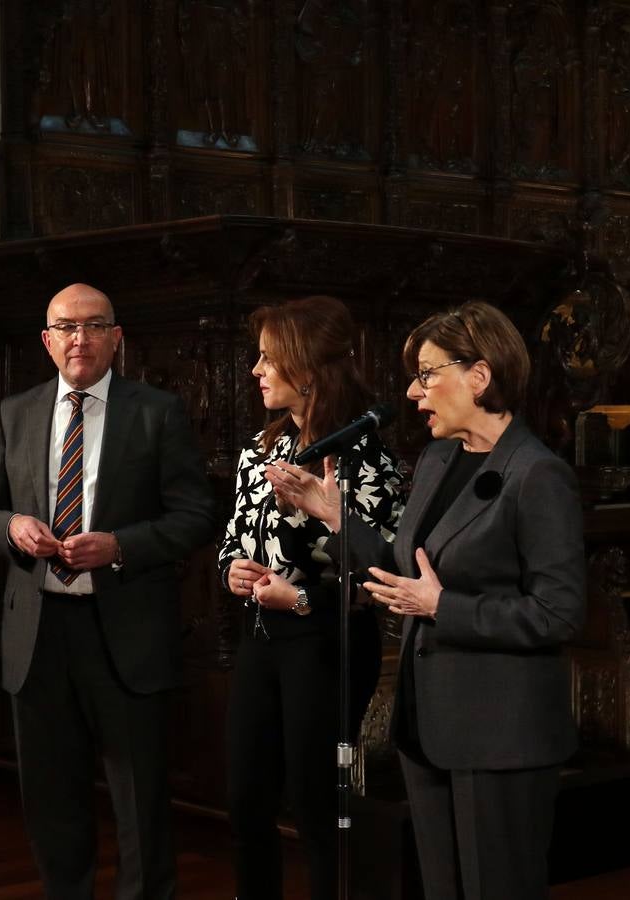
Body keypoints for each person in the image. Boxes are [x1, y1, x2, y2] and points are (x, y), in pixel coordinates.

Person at [269, 301, 586, 899]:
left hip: (502, 735)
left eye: (427, 374)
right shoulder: (440, 459)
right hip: (429, 728)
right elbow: (401, 575)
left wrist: (445, 608)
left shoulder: (538, 475)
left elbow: (559, 613)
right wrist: (333, 514)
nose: (415, 393)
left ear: (481, 376)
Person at [0, 283, 218, 900]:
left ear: (116, 338)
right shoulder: (14, 411)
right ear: (47, 340)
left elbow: (195, 515)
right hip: (39, 633)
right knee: (52, 798)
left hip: (125, 631)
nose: (80, 338)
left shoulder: (158, 411)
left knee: (140, 801)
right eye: (67, 327)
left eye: (94, 326)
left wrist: (121, 545)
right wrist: (13, 527)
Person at [217, 296, 404, 900]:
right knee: (246, 800)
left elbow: (386, 570)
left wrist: (298, 599)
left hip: (328, 645)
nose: (257, 370)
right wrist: (236, 576)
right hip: (262, 642)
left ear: (306, 368)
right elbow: (230, 545)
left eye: (268, 358)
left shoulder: (367, 456)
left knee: (320, 808)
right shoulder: (260, 449)